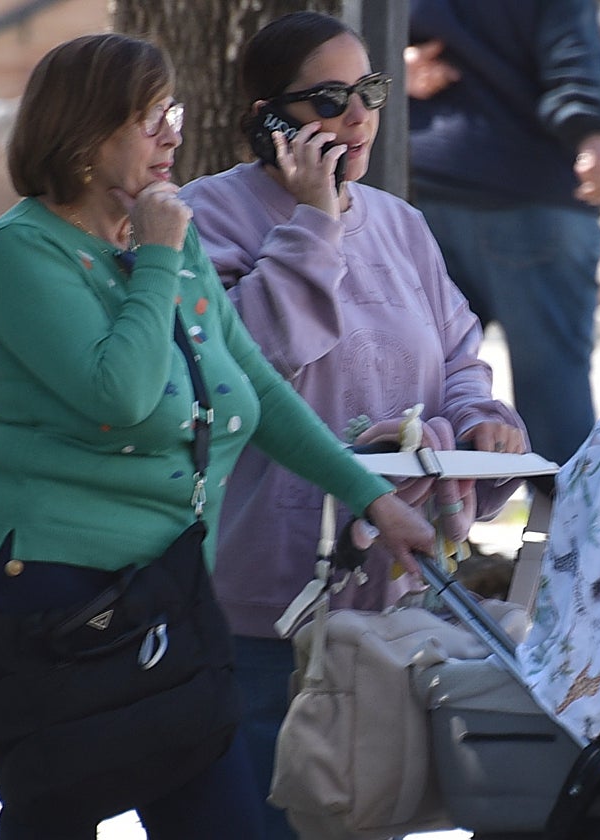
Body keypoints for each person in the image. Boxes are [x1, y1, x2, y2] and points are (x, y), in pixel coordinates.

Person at [0, 32, 437, 840]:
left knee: (215, 814)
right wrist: (160, 259)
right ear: (85, 135)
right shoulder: (23, 251)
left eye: (172, 111)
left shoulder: (170, 231)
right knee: (56, 811)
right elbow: (121, 396)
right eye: (149, 119)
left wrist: (371, 500)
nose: (172, 133)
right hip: (48, 591)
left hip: (167, 584)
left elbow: (255, 390)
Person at [177, 11, 527, 838]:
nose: (359, 116)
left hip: (390, 591)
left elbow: (457, 357)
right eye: (329, 99)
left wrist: (482, 422)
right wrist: (314, 221)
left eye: (368, 90)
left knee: (361, 806)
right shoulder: (206, 216)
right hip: (261, 594)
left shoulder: (402, 224)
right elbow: (249, 360)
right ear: (271, 117)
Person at [406, 0, 600, 466]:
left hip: (429, 185)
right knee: (552, 386)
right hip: (530, 193)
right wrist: (590, 136)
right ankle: (567, 528)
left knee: (423, 376)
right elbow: (572, 60)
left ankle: (427, 527)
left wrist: (387, 70)